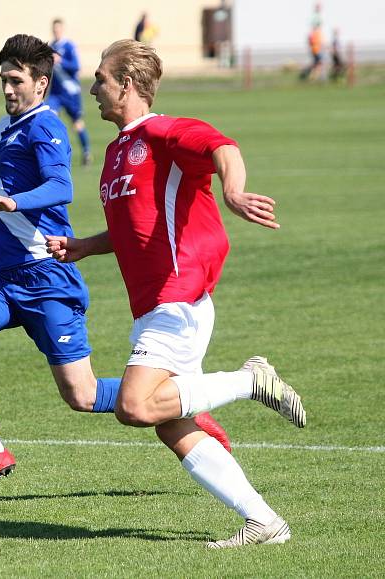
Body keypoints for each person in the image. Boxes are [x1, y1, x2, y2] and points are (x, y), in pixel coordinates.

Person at [0, 34, 230, 494]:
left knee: (81, 396)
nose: (7, 89)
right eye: (2, 79)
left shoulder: (46, 126)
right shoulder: (7, 127)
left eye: (15, 80)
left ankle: (179, 404)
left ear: (41, 84)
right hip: (3, 278)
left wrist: (9, 203)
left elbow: (59, 187)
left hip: (46, 279)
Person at [45, 39, 307, 548]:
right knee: (171, 425)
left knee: (135, 406)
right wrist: (83, 246)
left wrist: (232, 191)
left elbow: (221, 146)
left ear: (126, 85)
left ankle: (250, 381)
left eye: (100, 77)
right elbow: (134, 230)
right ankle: (265, 522)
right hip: (152, 304)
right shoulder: (117, 151)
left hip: (179, 293)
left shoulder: (163, 131)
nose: (92, 87)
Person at [48, 18, 92, 166]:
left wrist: (61, 61)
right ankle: (54, 155)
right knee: (49, 118)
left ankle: (86, 152)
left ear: (62, 29)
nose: (56, 31)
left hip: (70, 92)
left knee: (77, 123)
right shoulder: (51, 46)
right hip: (55, 93)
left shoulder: (68, 46)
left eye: (58, 29)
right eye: (54, 29)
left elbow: (76, 66)